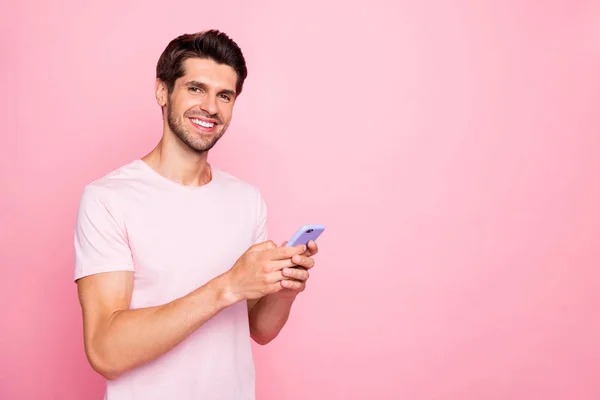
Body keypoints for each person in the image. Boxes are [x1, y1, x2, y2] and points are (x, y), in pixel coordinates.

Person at [73, 29, 319, 400]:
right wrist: (228, 286)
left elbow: (260, 329)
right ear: (162, 91)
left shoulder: (246, 199)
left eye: (224, 95)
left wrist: (284, 289)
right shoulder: (108, 199)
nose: (211, 107)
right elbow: (105, 351)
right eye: (195, 88)